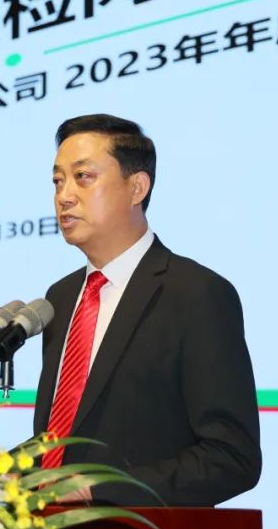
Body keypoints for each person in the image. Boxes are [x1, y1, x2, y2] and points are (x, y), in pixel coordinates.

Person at [34, 114, 262, 509]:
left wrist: (99, 489)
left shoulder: (195, 294)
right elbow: (64, 437)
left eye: (83, 177)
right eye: (57, 181)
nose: (64, 196)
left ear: (137, 187)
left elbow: (231, 457)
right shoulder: (61, 296)